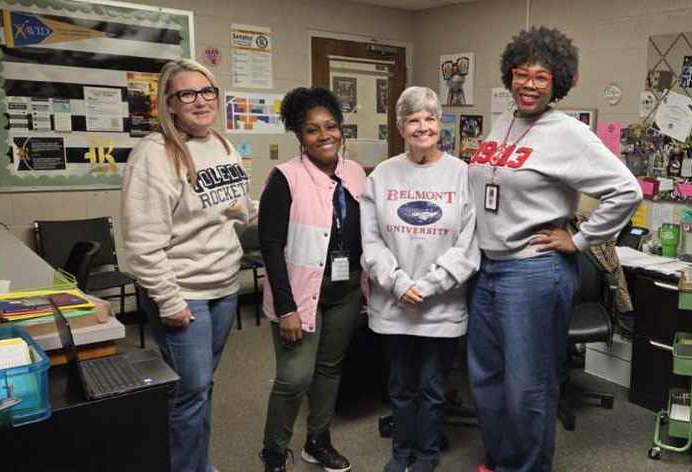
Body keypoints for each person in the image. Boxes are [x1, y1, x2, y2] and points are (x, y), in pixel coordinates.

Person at [466, 26, 642, 472]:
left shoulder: (569, 133)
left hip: (533, 272)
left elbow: (626, 190)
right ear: (510, 75)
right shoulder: (502, 123)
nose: (529, 84)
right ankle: (501, 459)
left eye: (541, 77)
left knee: (528, 385)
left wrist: (580, 239)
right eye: (522, 74)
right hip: (487, 268)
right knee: (486, 378)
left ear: (557, 83)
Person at [122, 58, 255, 472]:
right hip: (184, 294)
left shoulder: (221, 144)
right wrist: (169, 300)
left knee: (200, 387)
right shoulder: (154, 154)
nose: (200, 101)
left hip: (223, 287)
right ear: (170, 103)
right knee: (190, 390)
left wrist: (264, 210)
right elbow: (143, 244)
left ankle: (199, 464)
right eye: (187, 94)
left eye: (207, 91)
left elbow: (237, 207)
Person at [361, 86, 479, 472]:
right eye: (414, 119)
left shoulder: (462, 174)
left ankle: (426, 457)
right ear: (400, 127)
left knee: (431, 389)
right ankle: (401, 455)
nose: (423, 126)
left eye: (430, 118)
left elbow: (469, 243)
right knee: (400, 387)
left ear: (440, 124)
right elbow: (371, 241)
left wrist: (428, 285)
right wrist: (398, 283)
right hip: (394, 305)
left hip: (441, 307)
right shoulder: (381, 175)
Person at [257, 87, 366, 472]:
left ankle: (318, 441)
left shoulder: (355, 173)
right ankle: (273, 454)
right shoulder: (285, 178)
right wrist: (286, 307)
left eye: (331, 126)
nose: (324, 136)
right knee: (293, 378)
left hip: (346, 290)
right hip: (300, 295)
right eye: (312, 130)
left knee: (329, 370)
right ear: (298, 136)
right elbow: (270, 246)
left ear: (341, 129)